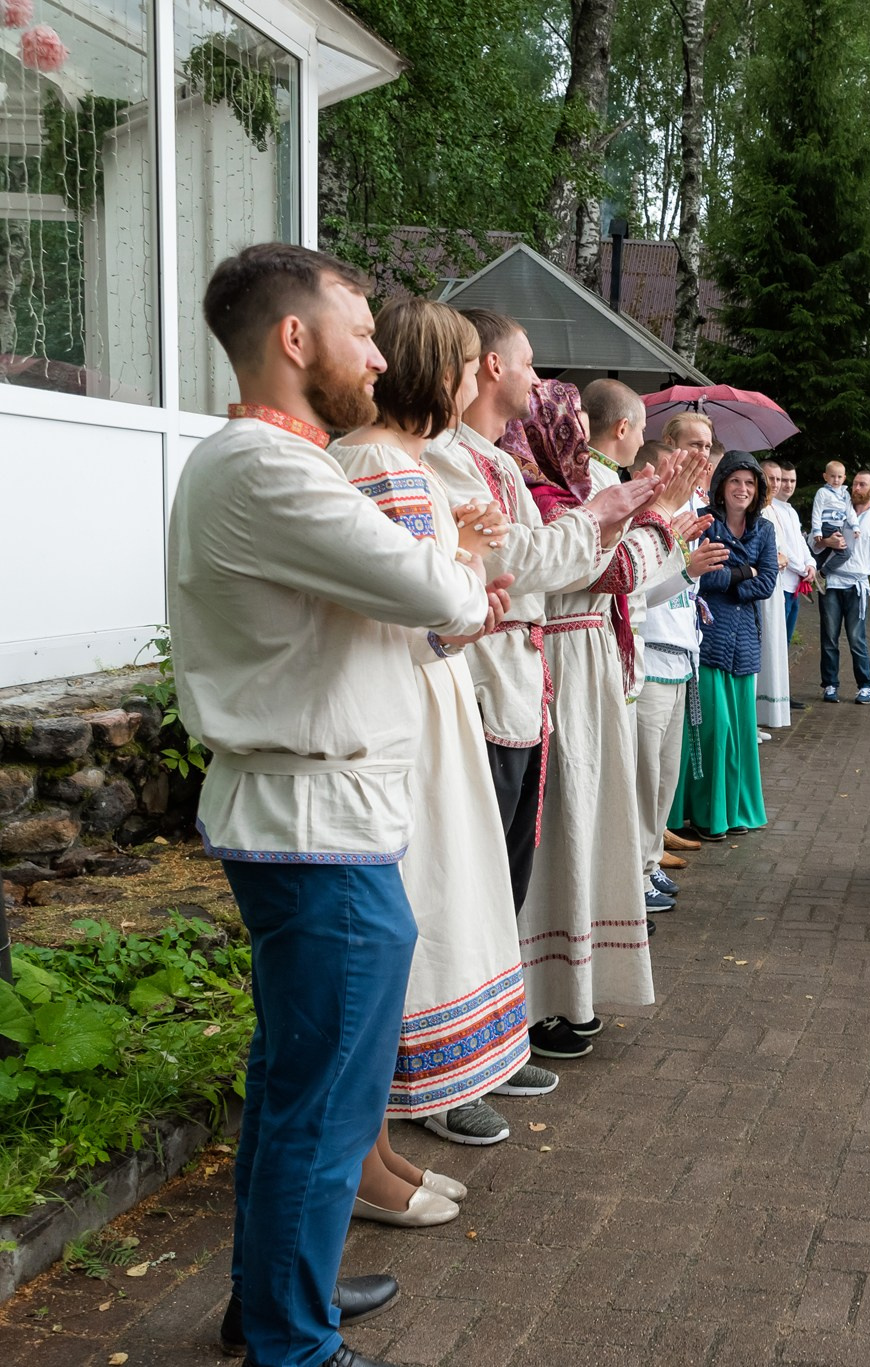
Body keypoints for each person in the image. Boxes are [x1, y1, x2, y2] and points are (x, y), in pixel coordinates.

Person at [172, 243, 499, 1367]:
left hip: (317, 815)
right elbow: (440, 593)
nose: (379, 354)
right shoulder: (273, 470)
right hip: (316, 827)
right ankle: (289, 1341)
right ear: (295, 340)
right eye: (361, 332)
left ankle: (272, 1298)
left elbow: (425, 604)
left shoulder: (276, 465)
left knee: (292, 1088)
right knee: (318, 1104)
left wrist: (443, 562)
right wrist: (449, 551)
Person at [330, 300, 535, 1180]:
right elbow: (426, 622)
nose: (467, 383)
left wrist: (460, 556)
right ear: (441, 376)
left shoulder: (380, 458)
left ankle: (376, 1153)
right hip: (414, 708)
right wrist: (466, 569)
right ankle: (374, 1151)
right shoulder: (390, 464)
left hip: (418, 701)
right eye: (461, 368)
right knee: (424, 902)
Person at [503, 381, 705, 1061]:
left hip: (586, 660)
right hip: (562, 661)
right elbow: (610, 568)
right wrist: (662, 519)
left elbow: (618, 572)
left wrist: (663, 527)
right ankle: (538, 998)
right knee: (562, 825)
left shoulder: (566, 494)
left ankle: (571, 990)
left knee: (585, 825)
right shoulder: (550, 500)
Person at [433, 311, 659, 917]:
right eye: (530, 363)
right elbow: (517, 560)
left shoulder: (503, 464)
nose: (539, 381)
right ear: (492, 365)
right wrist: (602, 518)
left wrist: (605, 523)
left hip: (524, 679)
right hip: (487, 677)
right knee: (483, 871)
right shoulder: (448, 457)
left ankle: (505, 1005)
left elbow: (555, 564)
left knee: (511, 869)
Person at [628, 428, 726, 912]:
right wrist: (689, 572)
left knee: (665, 775)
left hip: (680, 658)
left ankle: (649, 863)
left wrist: (694, 579)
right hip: (649, 660)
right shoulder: (637, 523)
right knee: (644, 776)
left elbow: (682, 593)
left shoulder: (678, 520)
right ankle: (633, 873)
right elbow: (635, 595)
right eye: (678, 468)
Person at [677, 451, 780, 838]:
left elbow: (767, 583)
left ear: (758, 490)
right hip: (710, 636)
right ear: (721, 484)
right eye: (735, 481)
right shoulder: (705, 521)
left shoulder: (765, 530)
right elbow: (702, 579)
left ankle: (733, 812)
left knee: (739, 732)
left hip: (745, 641)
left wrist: (733, 577)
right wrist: (743, 573)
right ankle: (706, 815)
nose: (742, 489)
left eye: (750, 483)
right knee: (713, 730)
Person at [815, 468, 870, 703]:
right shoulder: (837, 508)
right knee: (829, 637)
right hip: (831, 582)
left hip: (858, 584)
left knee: (857, 638)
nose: (856, 489)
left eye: (862, 485)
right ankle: (829, 684)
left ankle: (865, 685)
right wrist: (826, 541)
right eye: (855, 484)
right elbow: (814, 544)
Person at [752, 457, 799, 731]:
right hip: (761, 589)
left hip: (776, 587)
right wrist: (776, 559)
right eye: (771, 478)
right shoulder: (758, 510)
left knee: (772, 648)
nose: (776, 483)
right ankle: (753, 717)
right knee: (760, 649)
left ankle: (760, 717)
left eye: (779, 479)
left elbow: (784, 547)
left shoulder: (776, 510)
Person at [764, 457, 816, 656]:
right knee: (776, 644)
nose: (786, 485)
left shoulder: (791, 511)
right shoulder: (769, 508)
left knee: (785, 642)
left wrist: (811, 563)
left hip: (795, 585)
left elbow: (800, 542)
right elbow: (781, 548)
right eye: (781, 480)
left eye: (791, 481)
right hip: (782, 582)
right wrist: (803, 569)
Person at [811, 459, 856, 575]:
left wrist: (856, 527)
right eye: (832, 476)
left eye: (839, 477)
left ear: (844, 478)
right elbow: (817, 511)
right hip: (827, 526)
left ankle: (813, 573)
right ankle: (822, 574)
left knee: (826, 551)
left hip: (837, 527)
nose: (836, 480)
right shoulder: (822, 492)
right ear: (825, 477)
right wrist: (817, 531)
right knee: (845, 554)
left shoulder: (845, 494)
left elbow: (850, 511)